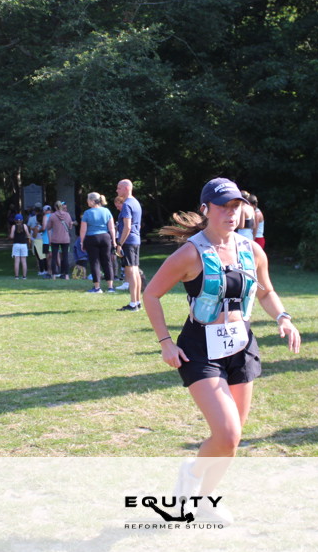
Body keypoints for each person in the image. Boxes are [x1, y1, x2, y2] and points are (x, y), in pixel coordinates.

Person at [144, 178, 300, 513]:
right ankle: (191, 473)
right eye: (223, 207)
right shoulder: (190, 253)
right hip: (200, 349)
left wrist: (283, 317)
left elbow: (266, 292)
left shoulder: (251, 250)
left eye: (236, 206)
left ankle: (204, 499)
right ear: (206, 209)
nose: (231, 213)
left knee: (232, 439)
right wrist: (165, 342)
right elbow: (151, 294)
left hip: (241, 347)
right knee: (227, 434)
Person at [79, 192, 116, 294]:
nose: (87, 201)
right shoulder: (107, 211)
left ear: (92, 201)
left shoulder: (87, 213)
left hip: (92, 238)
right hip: (105, 237)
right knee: (107, 262)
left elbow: (83, 230)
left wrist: (82, 242)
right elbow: (112, 228)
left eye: (88, 199)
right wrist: (114, 240)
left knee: (94, 262)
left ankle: (97, 288)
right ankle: (110, 287)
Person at [116, 179, 143, 311]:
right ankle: (137, 302)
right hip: (136, 239)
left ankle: (133, 303)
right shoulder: (136, 202)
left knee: (131, 271)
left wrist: (119, 244)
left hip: (128, 240)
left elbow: (127, 227)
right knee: (135, 270)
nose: (117, 190)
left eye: (119, 188)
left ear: (126, 188)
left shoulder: (127, 204)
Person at [44, 200, 75, 280]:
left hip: (55, 239)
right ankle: (66, 275)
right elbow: (70, 227)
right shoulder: (67, 215)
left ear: (55, 207)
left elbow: (48, 227)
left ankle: (54, 275)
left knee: (54, 257)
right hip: (65, 239)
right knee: (65, 257)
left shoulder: (52, 216)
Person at [9, 213, 30, 279]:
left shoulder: (13, 226)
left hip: (16, 244)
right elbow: (28, 235)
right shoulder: (25, 226)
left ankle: (16, 276)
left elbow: (11, 236)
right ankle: (24, 277)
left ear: (15, 220)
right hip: (23, 244)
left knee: (16, 261)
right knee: (24, 261)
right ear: (22, 220)